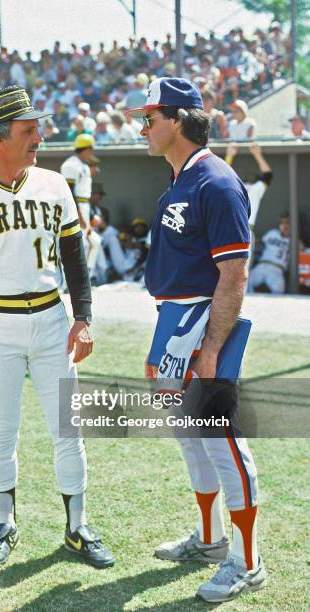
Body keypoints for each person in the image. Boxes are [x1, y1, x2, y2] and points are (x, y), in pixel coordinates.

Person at [0, 85, 114, 570]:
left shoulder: (55, 184)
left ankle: (77, 528)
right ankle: (4, 524)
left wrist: (84, 317)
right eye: (28, 130)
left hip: (53, 318)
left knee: (68, 428)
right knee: (3, 433)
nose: (39, 136)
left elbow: (75, 257)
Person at [128, 77, 267, 603]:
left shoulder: (216, 181)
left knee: (222, 441)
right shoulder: (182, 178)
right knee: (191, 440)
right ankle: (210, 540)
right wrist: (162, 345)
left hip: (200, 326)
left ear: (179, 119)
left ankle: (247, 562)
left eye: (149, 118)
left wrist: (210, 347)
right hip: (173, 323)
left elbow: (233, 275)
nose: (142, 127)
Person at [60, 134, 101, 281]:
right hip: (74, 206)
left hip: (84, 205)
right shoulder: (71, 165)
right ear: (86, 148)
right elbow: (69, 193)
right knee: (78, 246)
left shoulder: (83, 164)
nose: (92, 152)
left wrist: (87, 217)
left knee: (95, 242)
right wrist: (79, 215)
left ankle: (85, 277)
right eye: (91, 149)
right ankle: (67, 281)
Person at [225, 143, 273, 265]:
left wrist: (230, 156)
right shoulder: (244, 186)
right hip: (238, 229)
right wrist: (257, 155)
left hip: (235, 229)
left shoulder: (243, 187)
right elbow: (268, 175)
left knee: (238, 267)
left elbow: (222, 175)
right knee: (237, 267)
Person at [248, 213, 294, 294]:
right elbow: (259, 240)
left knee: (279, 290)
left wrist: (290, 234)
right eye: (282, 222)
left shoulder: (293, 239)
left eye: (287, 222)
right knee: (245, 283)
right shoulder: (272, 233)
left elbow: (302, 249)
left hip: (277, 269)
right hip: (262, 266)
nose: (284, 225)